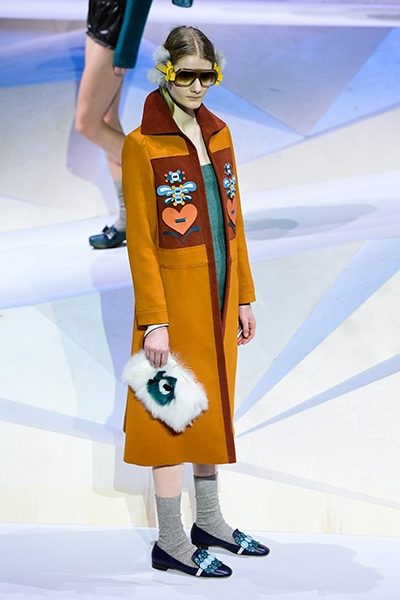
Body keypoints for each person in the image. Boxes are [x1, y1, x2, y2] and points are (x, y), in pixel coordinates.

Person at [121, 26, 270, 578]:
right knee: (169, 417)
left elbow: (235, 223)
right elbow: (141, 241)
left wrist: (245, 296)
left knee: (212, 410)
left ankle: (209, 521)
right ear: (166, 72)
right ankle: (170, 540)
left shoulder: (220, 134)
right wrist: (154, 321)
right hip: (174, 307)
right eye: (187, 75)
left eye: (209, 76)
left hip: (221, 299)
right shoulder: (141, 145)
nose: (198, 86)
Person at [75, 0, 193, 249]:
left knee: (87, 124)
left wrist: (127, 47)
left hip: (116, 24)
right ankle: (127, 218)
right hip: (99, 14)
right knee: (106, 120)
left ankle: (170, 180)